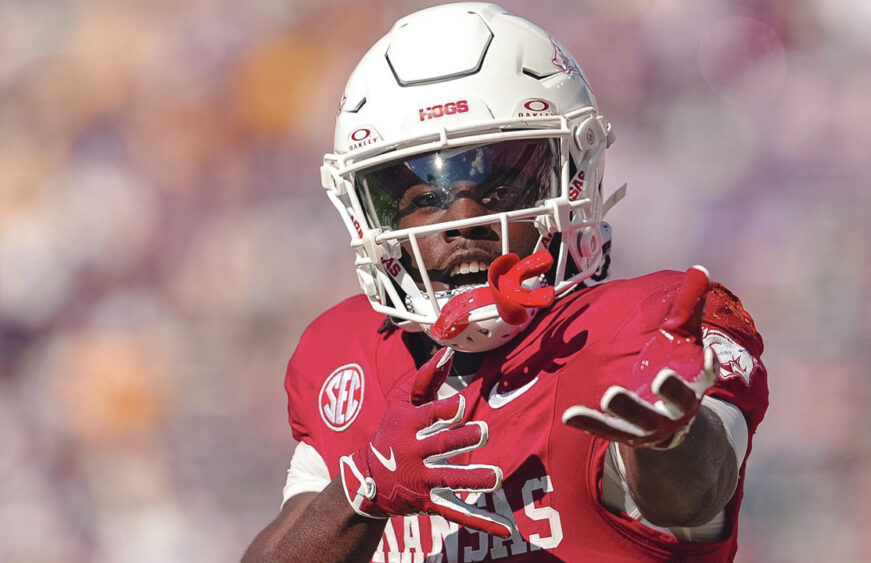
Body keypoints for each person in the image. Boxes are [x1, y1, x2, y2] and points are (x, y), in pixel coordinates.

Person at [243, 3, 768, 562]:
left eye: (501, 188)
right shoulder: (344, 355)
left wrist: (671, 438)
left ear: (573, 180)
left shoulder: (642, 327)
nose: (463, 222)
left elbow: (695, 495)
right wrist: (362, 491)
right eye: (425, 199)